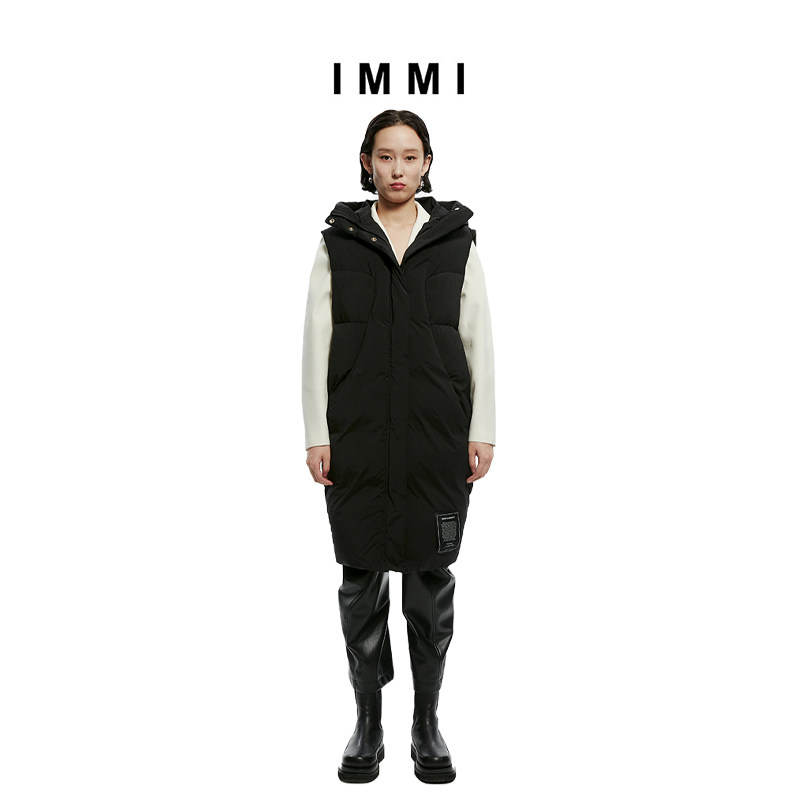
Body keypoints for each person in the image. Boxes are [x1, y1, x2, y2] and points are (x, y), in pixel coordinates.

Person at [301, 109, 496, 784]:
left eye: (410, 157)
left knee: (430, 580)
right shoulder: (340, 240)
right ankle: (368, 721)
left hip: (438, 435)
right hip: (357, 435)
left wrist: (482, 426)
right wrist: (317, 432)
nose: (397, 170)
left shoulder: (455, 240)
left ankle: (426, 723)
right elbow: (316, 339)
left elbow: (478, 335)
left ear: (427, 164)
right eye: (385, 157)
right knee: (361, 579)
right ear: (367, 162)